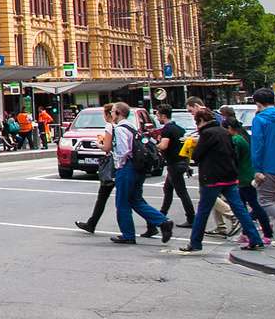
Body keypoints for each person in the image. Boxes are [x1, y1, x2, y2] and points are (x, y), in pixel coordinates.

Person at [173, 101, 266, 253]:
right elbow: (232, 153)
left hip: (211, 177)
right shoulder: (224, 132)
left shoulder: (207, 134)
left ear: (201, 121)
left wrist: (193, 146)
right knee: (240, 209)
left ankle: (195, 243)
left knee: (203, 211)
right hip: (229, 176)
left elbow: (197, 156)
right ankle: (255, 238)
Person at [111, 102, 173, 245]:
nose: (111, 114)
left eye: (113, 112)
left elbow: (123, 151)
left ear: (119, 113)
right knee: (136, 200)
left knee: (122, 202)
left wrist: (118, 163)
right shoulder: (131, 126)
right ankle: (163, 222)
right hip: (138, 168)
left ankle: (128, 235)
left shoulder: (120, 129)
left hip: (126, 167)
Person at [215, 106, 275, 243]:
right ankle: (248, 232)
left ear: (229, 128)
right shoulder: (242, 136)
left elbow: (233, 159)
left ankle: (266, 233)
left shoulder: (236, 140)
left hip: (244, 177)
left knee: (252, 206)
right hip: (245, 176)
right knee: (244, 207)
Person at [250, 88, 275, 246]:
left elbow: (258, 145)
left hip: (268, 166)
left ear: (259, 104)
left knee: (265, 200)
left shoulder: (260, 119)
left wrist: (257, 169)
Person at [76, 108, 123, 235]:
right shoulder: (121, 126)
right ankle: (91, 223)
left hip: (112, 166)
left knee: (108, 197)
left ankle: (156, 222)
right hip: (119, 165)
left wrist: (99, 144)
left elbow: (107, 147)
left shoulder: (109, 126)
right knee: (129, 197)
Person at [153, 103, 195, 230]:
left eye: (158, 115)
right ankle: (161, 215)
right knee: (168, 190)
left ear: (164, 116)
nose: (157, 118)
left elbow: (164, 145)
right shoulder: (179, 128)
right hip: (182, 162)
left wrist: (155, 144)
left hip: (174, 164)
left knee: (181, 192)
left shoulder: (167, 129)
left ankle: (191, 218)